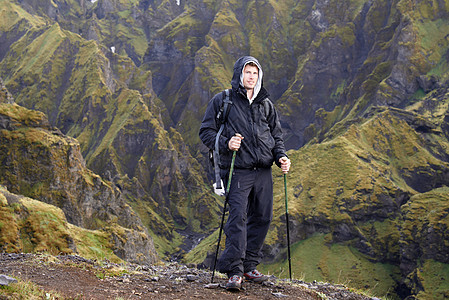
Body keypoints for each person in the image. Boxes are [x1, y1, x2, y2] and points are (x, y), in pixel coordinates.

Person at [199, 56, 291, 290]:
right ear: (239, 74)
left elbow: (276, 135)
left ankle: (249, 266)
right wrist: (227, 143)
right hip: (238, 170)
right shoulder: (224, 101)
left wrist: (281, 156)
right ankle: (235, 272)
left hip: (263, 171)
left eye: (255, 73)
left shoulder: (266, 103)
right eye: (247, 72)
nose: (251, 76)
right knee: (237, 219)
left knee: (263, 217)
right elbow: (206, 132)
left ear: (259, 76)